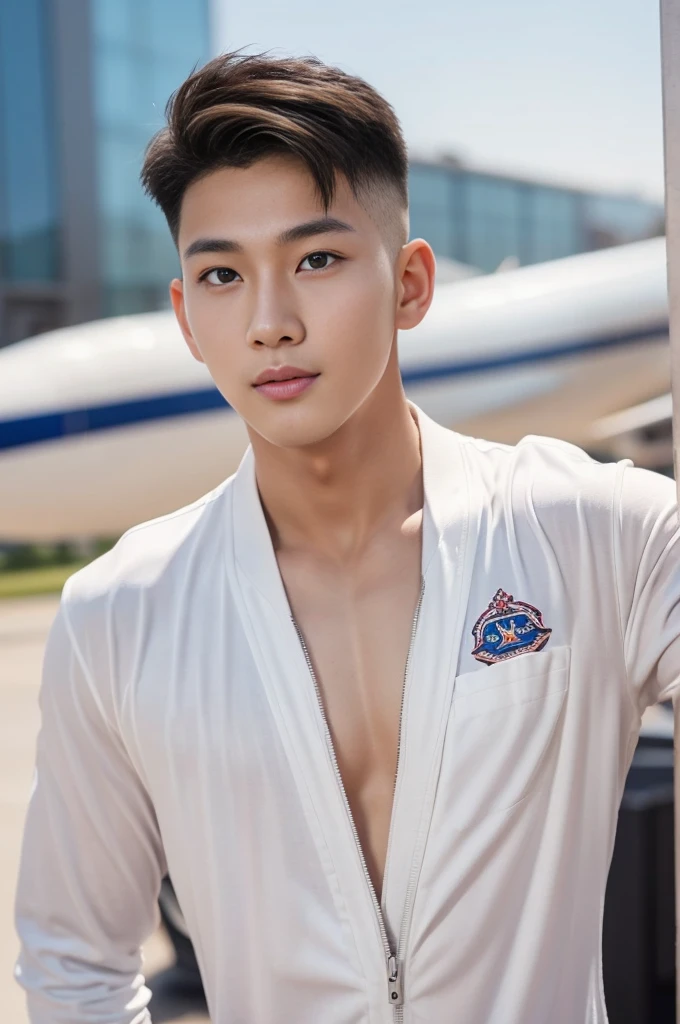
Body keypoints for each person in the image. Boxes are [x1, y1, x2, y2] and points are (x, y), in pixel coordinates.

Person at [13, 50, 680, 1024]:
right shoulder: (120, 612)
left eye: (315, 259)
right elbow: (73, 957)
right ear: (186, 317)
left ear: (409, 282)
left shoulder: (601, 534)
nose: (270, 321)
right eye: (222, 275)